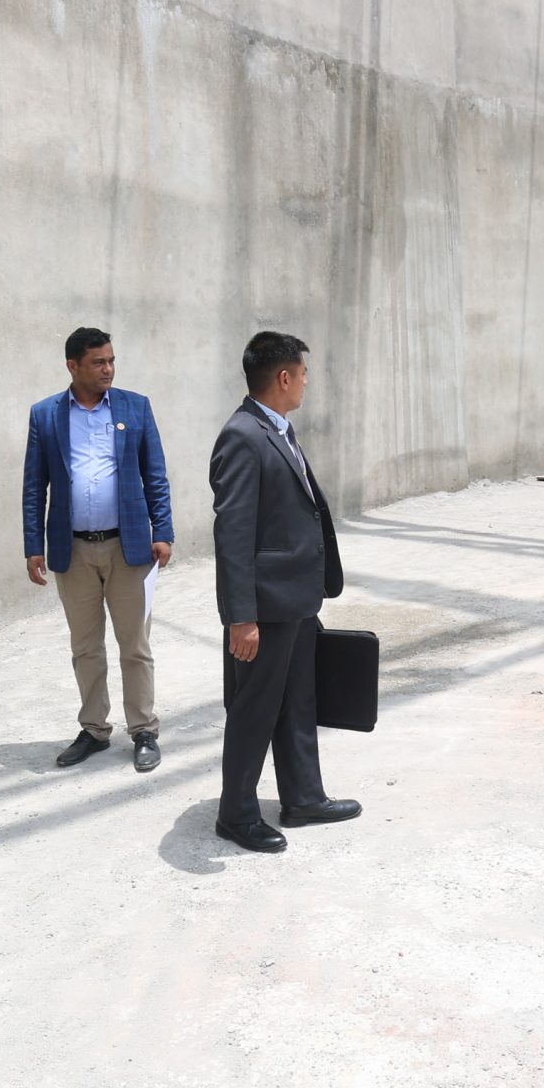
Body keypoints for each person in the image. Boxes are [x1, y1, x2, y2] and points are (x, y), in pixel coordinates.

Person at [208, 331, 360, 854]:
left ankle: (303, 798)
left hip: (295, 600)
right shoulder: (242, 436)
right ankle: (235, 814)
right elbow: (232, 535)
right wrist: (241, 617)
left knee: (298, 702)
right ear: (284, 377)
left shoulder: (277, 430)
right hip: (264, 608)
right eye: (304, 373)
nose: (306, 383)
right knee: (254, 709)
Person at [22, 328, 174, 772]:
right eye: (98, 362)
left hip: (129, 547)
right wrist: (33, 544)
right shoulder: (46, 415)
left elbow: (155, 475)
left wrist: (163, 531)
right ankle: (94, 729)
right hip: (72, 551)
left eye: (111, 360)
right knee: (85, 646)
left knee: (135, 645)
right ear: (73, 366)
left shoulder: (135, 407)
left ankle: (143, 729)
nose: (108, 369)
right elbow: (35, 486)